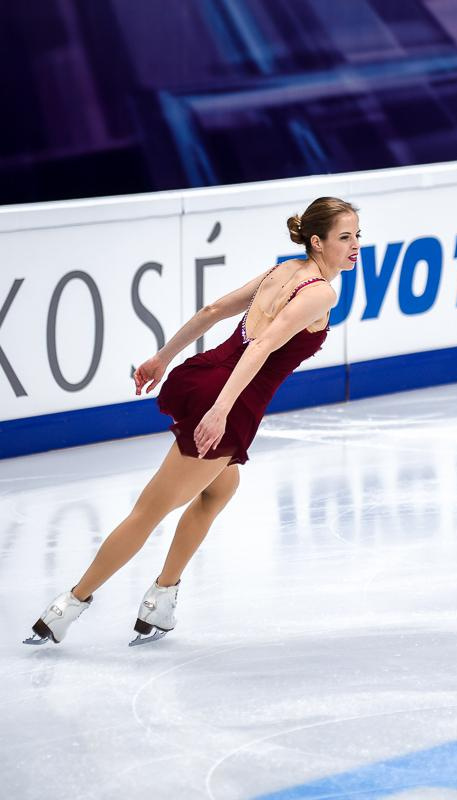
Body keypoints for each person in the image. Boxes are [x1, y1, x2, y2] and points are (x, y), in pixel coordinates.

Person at [23, 197, 361, 647]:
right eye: (345, 237)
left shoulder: (283, 272)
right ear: (318, 242)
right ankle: (69, 605)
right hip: (229, 398)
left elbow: (212, 312)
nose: (355, 245)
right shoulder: (320, 292)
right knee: (151, 510)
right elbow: (260, 349)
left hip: (211, 378)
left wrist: (162, 357)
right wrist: (221, 410)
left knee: (222, 487)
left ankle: (162, 597)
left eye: (358, 235)